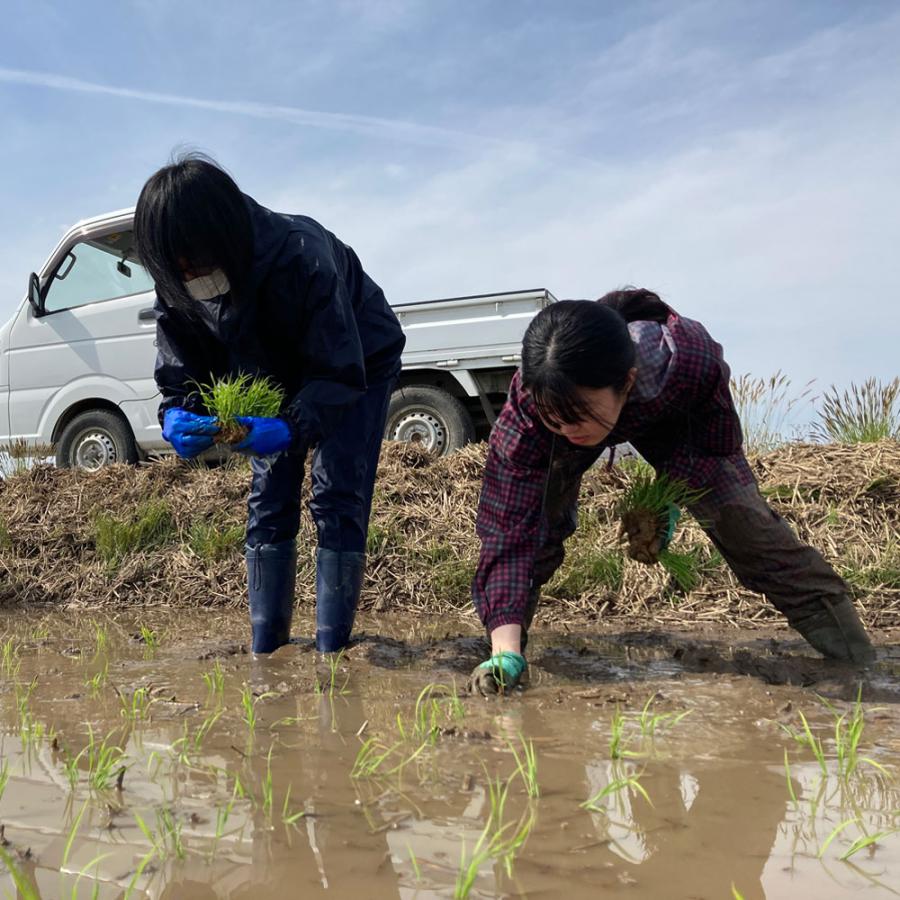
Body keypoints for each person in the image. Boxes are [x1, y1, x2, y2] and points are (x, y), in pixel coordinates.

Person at [469, 288, 874, 693]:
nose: (569, 430)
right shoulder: (532, 413)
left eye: (579, 416)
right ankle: (509, 651)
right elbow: (509, 531)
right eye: (555, 418)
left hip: (672, 415)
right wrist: (505, 650)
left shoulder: (686, 361)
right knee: (537, 531)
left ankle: (857, 659)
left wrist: (670, 498)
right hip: (558, 438)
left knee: (745, 525)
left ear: (626, 381)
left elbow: (711, 450)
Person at [134, 153, 405, 655]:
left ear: (225, 236)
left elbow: (338, 371)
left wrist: (292, 426)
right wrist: (176, 411)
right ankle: (268, 646)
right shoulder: (181, 282)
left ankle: (332, 648)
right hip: (276, 374)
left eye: (196, 260)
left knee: (336, 490)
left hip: (357, 359)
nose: (190, 274)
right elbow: (181, 367)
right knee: (270, 493)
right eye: (177, 267)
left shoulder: (301, 257)